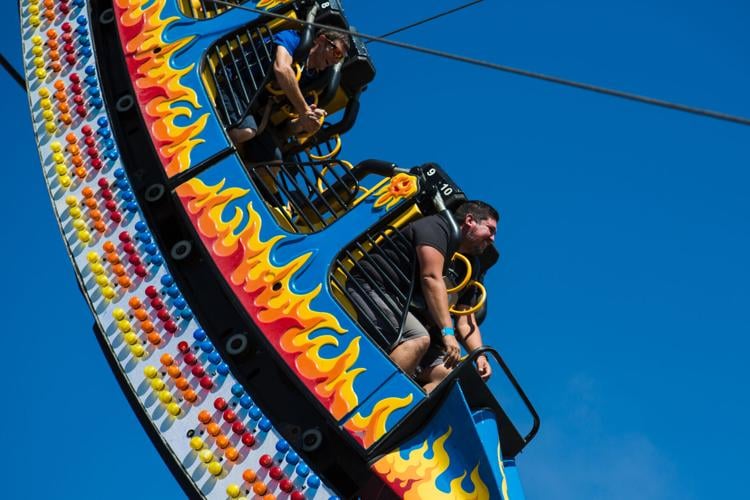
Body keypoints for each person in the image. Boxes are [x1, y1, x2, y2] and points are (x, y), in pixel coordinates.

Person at [347, 200, 499, 388]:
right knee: (417, 338)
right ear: (470, 221)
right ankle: (367, 399)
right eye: (490, 230)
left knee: (448, 373)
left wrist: (480, 355)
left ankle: (397, 414)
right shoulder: (438, 227)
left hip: (401, 308)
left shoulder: (470, 266)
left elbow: (466, 319)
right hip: (371, 287)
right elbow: (431, 278)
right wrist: (447, 333)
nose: (492, 239)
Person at [226, 28, 350, 145]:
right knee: (247, 131)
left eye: (340, 59)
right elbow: (282, 68)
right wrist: (304, 110)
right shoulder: (293, 38)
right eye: (337, 53)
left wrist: (305, 121)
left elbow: (290, 127)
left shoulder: (313, 82)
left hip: (253, 106)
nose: (336, 60)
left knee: (275, 163)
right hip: (235, 82)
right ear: (321, 40)